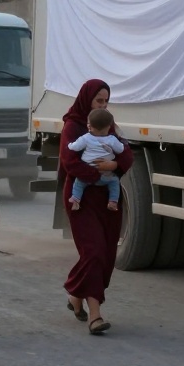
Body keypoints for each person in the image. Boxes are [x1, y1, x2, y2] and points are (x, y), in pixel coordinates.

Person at [60, 79, 133, 336]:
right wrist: (96, 172)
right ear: (86, 99)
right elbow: (69, 161)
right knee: (93, 252)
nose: (103, 105)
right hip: (81, 199)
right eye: (98, 101)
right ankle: (95, 316)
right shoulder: (74, 126)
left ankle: (75, 296)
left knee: (106, 254)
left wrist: (114, 167)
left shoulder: (107, 125)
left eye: (106, 101)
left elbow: (126, 153)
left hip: (108, 202)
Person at [67, 108, 124, 212]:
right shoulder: (111, 139)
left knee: (78, 182)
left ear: (89, 126)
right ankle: (113, 201)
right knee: (115, 182)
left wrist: (69, 145)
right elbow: (120, 149)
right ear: (108, 127)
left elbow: (75, 147)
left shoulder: (85, 138)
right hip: (105, 176)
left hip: (88, 173)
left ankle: (76, 199)